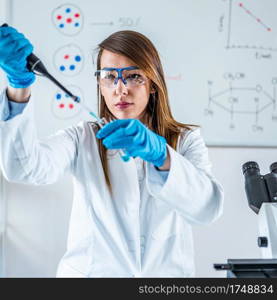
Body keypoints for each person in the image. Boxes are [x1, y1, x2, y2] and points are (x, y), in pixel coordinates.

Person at [0, 26, 224, 277]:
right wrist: (18, 88)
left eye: (133, 76)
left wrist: (163, 156)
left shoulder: (185, 140)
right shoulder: (81, 138)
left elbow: (208, 208)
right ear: (100, 83)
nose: (121, 88)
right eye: (110, 76)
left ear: (153, 83)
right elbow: (24, 168)